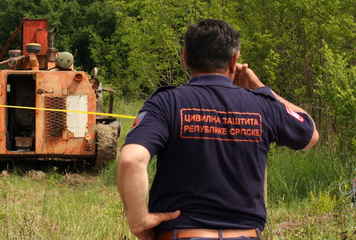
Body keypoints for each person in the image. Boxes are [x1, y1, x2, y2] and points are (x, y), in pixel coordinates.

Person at [117, 19, 319, 240]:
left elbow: (131, 160)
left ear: (185, 57)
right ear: (234, 60)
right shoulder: (262, 105)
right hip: (246, 234)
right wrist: (261, 89)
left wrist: (138, 220)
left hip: (181, 233)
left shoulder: (166, 102)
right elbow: (309, 134)